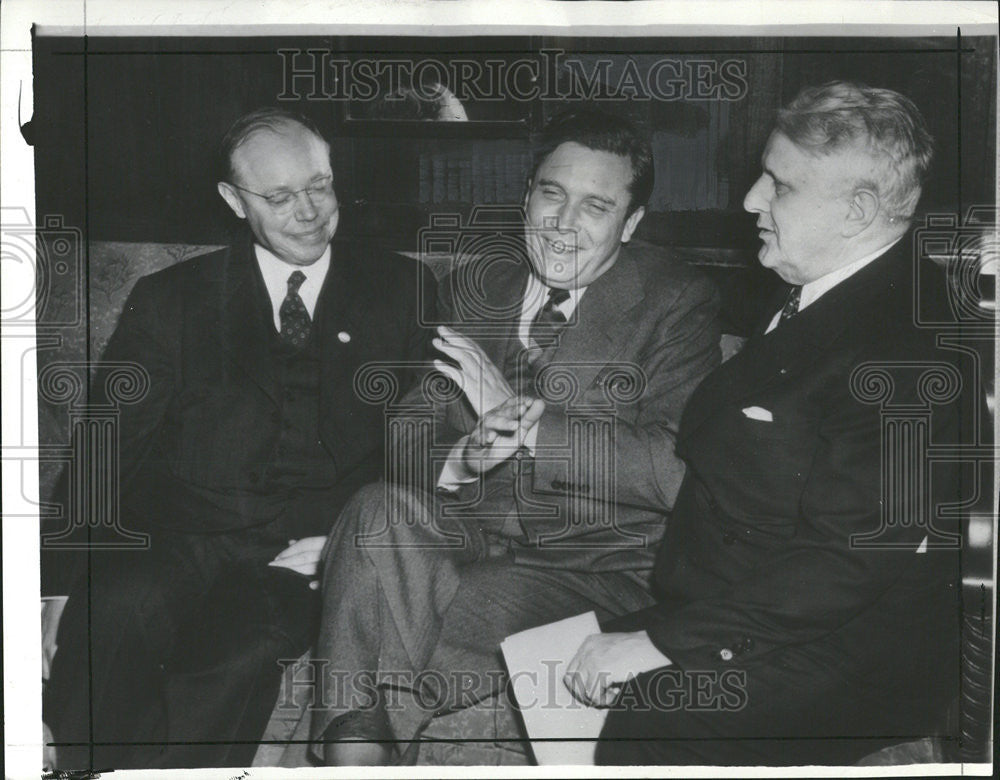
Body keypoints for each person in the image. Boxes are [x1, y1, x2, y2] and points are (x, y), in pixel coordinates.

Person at [563, 81, 965, 765]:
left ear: (858, 210)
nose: (750, 199)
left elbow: (846, 563)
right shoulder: (822, 287)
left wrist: (660, 645)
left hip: (852, 651)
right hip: (756, 602)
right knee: (553, 668)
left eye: (777, 185)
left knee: (638, 717)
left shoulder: (907, 346)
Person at [309, 107, 722, 765]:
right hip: (464, 530)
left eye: (595, 206)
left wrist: (525, 423)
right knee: (372, 513)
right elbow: (409, 429)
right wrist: (462, 461)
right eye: (551, 195)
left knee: (394, 631)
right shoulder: (480, 283)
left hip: (591, 563)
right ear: (526, 196)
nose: (562, 224)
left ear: (631, 222)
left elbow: (676, 469)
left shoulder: (676, 300)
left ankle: (356, 755)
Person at [43, 107, 436, 769]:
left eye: (320, 186)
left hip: (301, 551)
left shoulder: (401, 289)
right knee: (112, 611)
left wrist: (353, 549)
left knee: (239, 651)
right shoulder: (173, 298)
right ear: (233, 200)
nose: (308, 211)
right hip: (178, 534)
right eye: (279, 197)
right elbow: (108, 449)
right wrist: (53, 588)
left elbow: (422, 448)